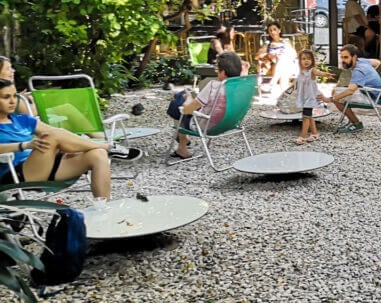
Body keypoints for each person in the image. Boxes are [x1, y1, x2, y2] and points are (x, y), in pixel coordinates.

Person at [0, 79, 141, 200]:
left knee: (97, 154)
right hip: (16, 174)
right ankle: (109, 147)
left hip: (45, 166)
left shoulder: (22, 120)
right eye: (6, 97)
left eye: (14, 96)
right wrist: (24, 145)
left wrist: (62, 146)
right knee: (53, 135)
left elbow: (52, 132)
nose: (13, 101)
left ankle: (104, 210)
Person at [167, 52, 243, 160]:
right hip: (228, 123)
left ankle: (182, 145)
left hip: (206, 126)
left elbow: (187, 110)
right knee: (183, 99)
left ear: (224, 72)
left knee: (176, 102)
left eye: (217, 69)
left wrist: (188, 98)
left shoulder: (214, 85)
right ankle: (183, 140)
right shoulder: (243, 86)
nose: (216, 72)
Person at [318, 44, 381, 133]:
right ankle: (351, 120)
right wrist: (369, 75)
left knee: (337, 98)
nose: (343, 60)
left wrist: (331, 99)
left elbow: (350, 91)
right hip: (374, 93)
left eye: (346, 57)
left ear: (354, 57)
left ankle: (356, 123)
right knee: (336, 91)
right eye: (342, 57)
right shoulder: (363, 61)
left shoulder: (359, 71)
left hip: (371, 97)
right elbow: (377, 62)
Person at [293, 49, 331, 145]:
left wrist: (325, 74)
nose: (306, 61)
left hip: (310, 98)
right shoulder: (301, 72)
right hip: (304, 98)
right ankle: (314, 134)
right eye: (303, 59)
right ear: (300, 61)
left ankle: (302, 136)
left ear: (312, 61)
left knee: (305, 117)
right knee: (309, 116)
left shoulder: (311, 71)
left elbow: (318, 72)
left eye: (309, 59)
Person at [253, 21, 297, 92]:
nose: (273, 32)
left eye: (274, 29)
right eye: (270, 30)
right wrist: (268, 54)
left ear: (279, 30)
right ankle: (283, 96)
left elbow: (293, 54)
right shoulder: (268, 44)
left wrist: (282, 55)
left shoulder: (286, 41)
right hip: (273, 65)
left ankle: (272, 83)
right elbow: (257, 56)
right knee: (284, 73)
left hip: (286, 64)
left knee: (282, 60)